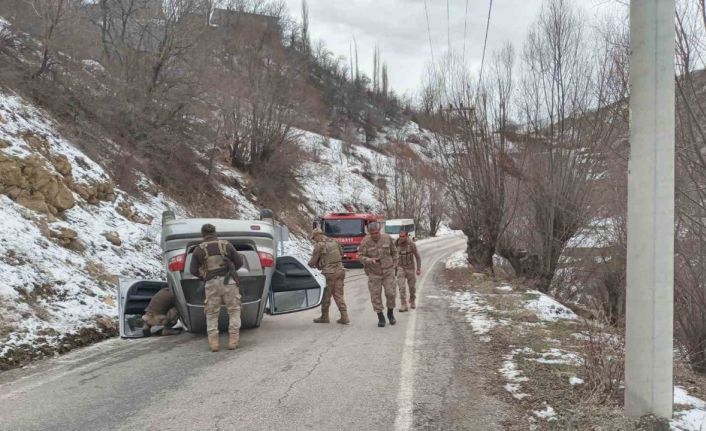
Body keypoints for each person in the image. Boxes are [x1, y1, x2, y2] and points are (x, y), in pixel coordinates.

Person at [190, 223, 244, 352]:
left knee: (212, 313)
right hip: (229, 282)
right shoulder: (226, 245)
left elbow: (192, 270)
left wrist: (204, 276)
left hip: (211, 284)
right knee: (234, 310)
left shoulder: (199, 249)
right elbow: (240, 262)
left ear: (203, 235)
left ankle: (214, 344)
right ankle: (233, 341)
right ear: (215, 233)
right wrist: (231, 270)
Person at [358, 222, 398, 327]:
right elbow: (360, 256)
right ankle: (380, 316)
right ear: (369, 233)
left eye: (376, 233)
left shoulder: (387, 238)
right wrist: (369, 260)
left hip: (388, 271)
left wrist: (395, 264)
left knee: (391, 293)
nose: (375, 235)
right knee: (375, 296)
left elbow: (394, 252)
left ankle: (390, 313)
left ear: (379, 230)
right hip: (374, 273)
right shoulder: (365, 242)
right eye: (372, 233)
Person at [308, 228, 349, 325]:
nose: (315, 240)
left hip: (329, 273)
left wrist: (308, 265)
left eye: (314, 238)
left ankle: (324, 316)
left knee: (326, 295)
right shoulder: (334, 241)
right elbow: (341, 254)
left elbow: (313, 261)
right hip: (340, 271)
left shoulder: (319, 245)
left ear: (318, 235)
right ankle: (344, 317)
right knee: (339, 294)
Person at [395, 231, 422, 312]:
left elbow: (417, 257)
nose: (401, 238)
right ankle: (403, 304)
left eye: (403, 236)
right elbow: (391, 255)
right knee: (401, 287)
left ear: (406, 236)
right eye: (400, 236)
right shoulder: (395, 244)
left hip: (410, 268)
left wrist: (418, 269)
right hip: (400, 268)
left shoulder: (411, 244)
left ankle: (412, 300)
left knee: (412, 287)